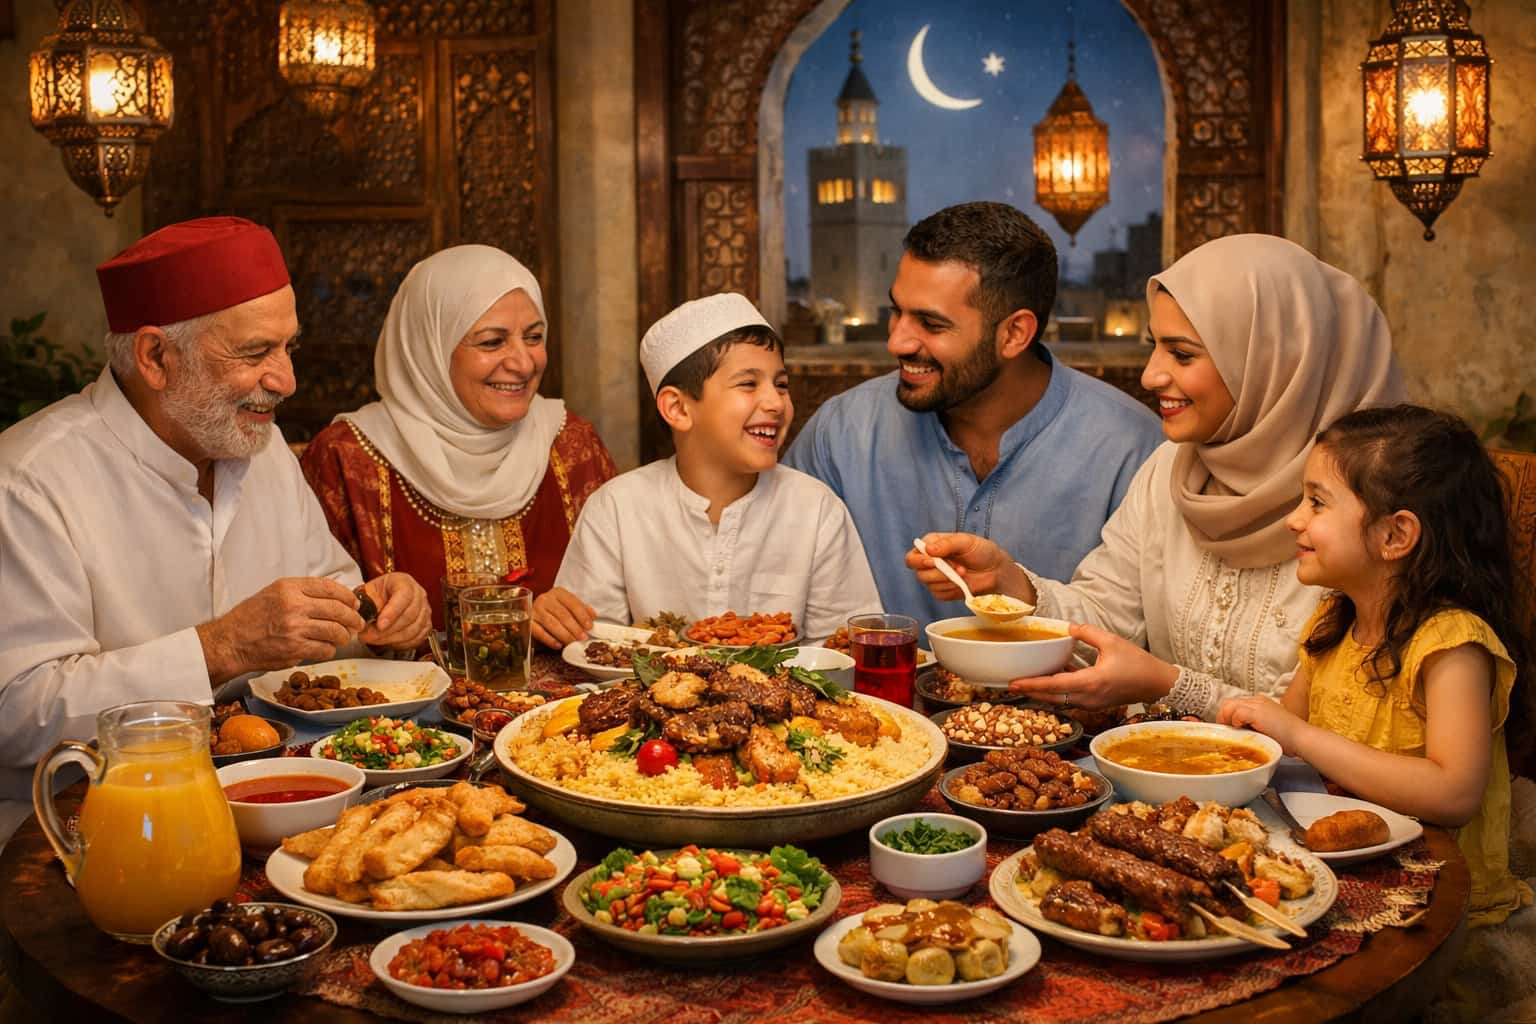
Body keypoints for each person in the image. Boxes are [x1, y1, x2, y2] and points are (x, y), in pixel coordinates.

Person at [0, 217, 431, 841]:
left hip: (279, 801)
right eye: (255, 353)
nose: (286, 381)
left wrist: (377, 618)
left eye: (288, 348)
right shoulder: (28, 481)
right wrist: (219, 648)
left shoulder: (264, 449)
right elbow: (17, 712)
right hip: (85, 831)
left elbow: (332, 604)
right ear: (156, 357)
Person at [908, 233, 1405, 718]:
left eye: (1182, 354)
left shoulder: (1376, 504)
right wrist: (1012, 585)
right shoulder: (1172, 467)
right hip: (1158, 767)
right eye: (1155, 347)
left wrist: (1170, 686)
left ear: (1278, 361)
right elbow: (1109, 622)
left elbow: (1338, 723)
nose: (1150, 376)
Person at [1219, 406, 1531, 927]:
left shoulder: (1451, 644)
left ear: (1395, 536)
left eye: (1317, 502)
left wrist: (1297, 734)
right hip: (1341, 871)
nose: (1295, 519)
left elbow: (1454, 793)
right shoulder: (1333, 624)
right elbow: (1281, 740)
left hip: (1438, 901)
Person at [784, 201, 1162, 624]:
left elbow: (1144, 633)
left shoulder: (1133, 450)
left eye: (931, 324)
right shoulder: (841, 434)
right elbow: (774, 587)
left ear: (1014, 333)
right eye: (896, 312)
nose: (897, 342)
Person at [534, 293, 881, 647]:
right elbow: (592, 643)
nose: (776, 402)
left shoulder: (816, 509)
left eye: (781, 384)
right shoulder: (616, 509)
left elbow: (843, 648)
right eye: (748, 384)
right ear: (678, 408)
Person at [301, 245, 616, 630]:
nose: (523, 363)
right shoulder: (346, 460)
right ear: (429, 348)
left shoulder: (573, 447)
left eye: (534, 337)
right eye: (492, 342)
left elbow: (621, 615)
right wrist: (383, 632)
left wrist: (572, 620)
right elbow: (311, 627)